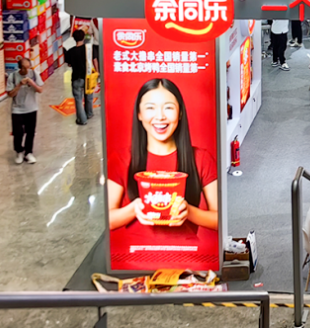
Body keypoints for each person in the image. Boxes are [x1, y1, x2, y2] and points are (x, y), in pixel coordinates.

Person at [106, 78, 219, 261]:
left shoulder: (201, 159)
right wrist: (134, 209)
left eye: (168, 108)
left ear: (180, 113)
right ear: (139, 114)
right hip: (134, 257)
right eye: (150, 108)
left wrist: (189, 212)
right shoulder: (121, 159)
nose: (160, 117)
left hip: (186, 257)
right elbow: (107, 219)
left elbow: (219, 220)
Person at [6, 54, 43, 164]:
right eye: (24, 68)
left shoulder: (34, 74)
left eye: (28, 67)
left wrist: (32, 84)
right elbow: (10, 94)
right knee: (18, 133)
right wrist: (19, 85)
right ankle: (19, 151)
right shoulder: (12, 77)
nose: (27, 70)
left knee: (30, 132)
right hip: (17, 109)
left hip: (31, 108)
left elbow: (40, 90)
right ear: (20, 68)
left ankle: (28, 152)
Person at [63, 29, 94, 125]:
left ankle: (82, 119)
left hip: (76, 77)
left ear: (74, 38)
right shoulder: (88, 49)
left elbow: (69, 64)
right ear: (83, 37)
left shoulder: (70, 51)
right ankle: (89, 113)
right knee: (89, 96)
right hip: (87, 76)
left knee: (78, 100)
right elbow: (93, 60)